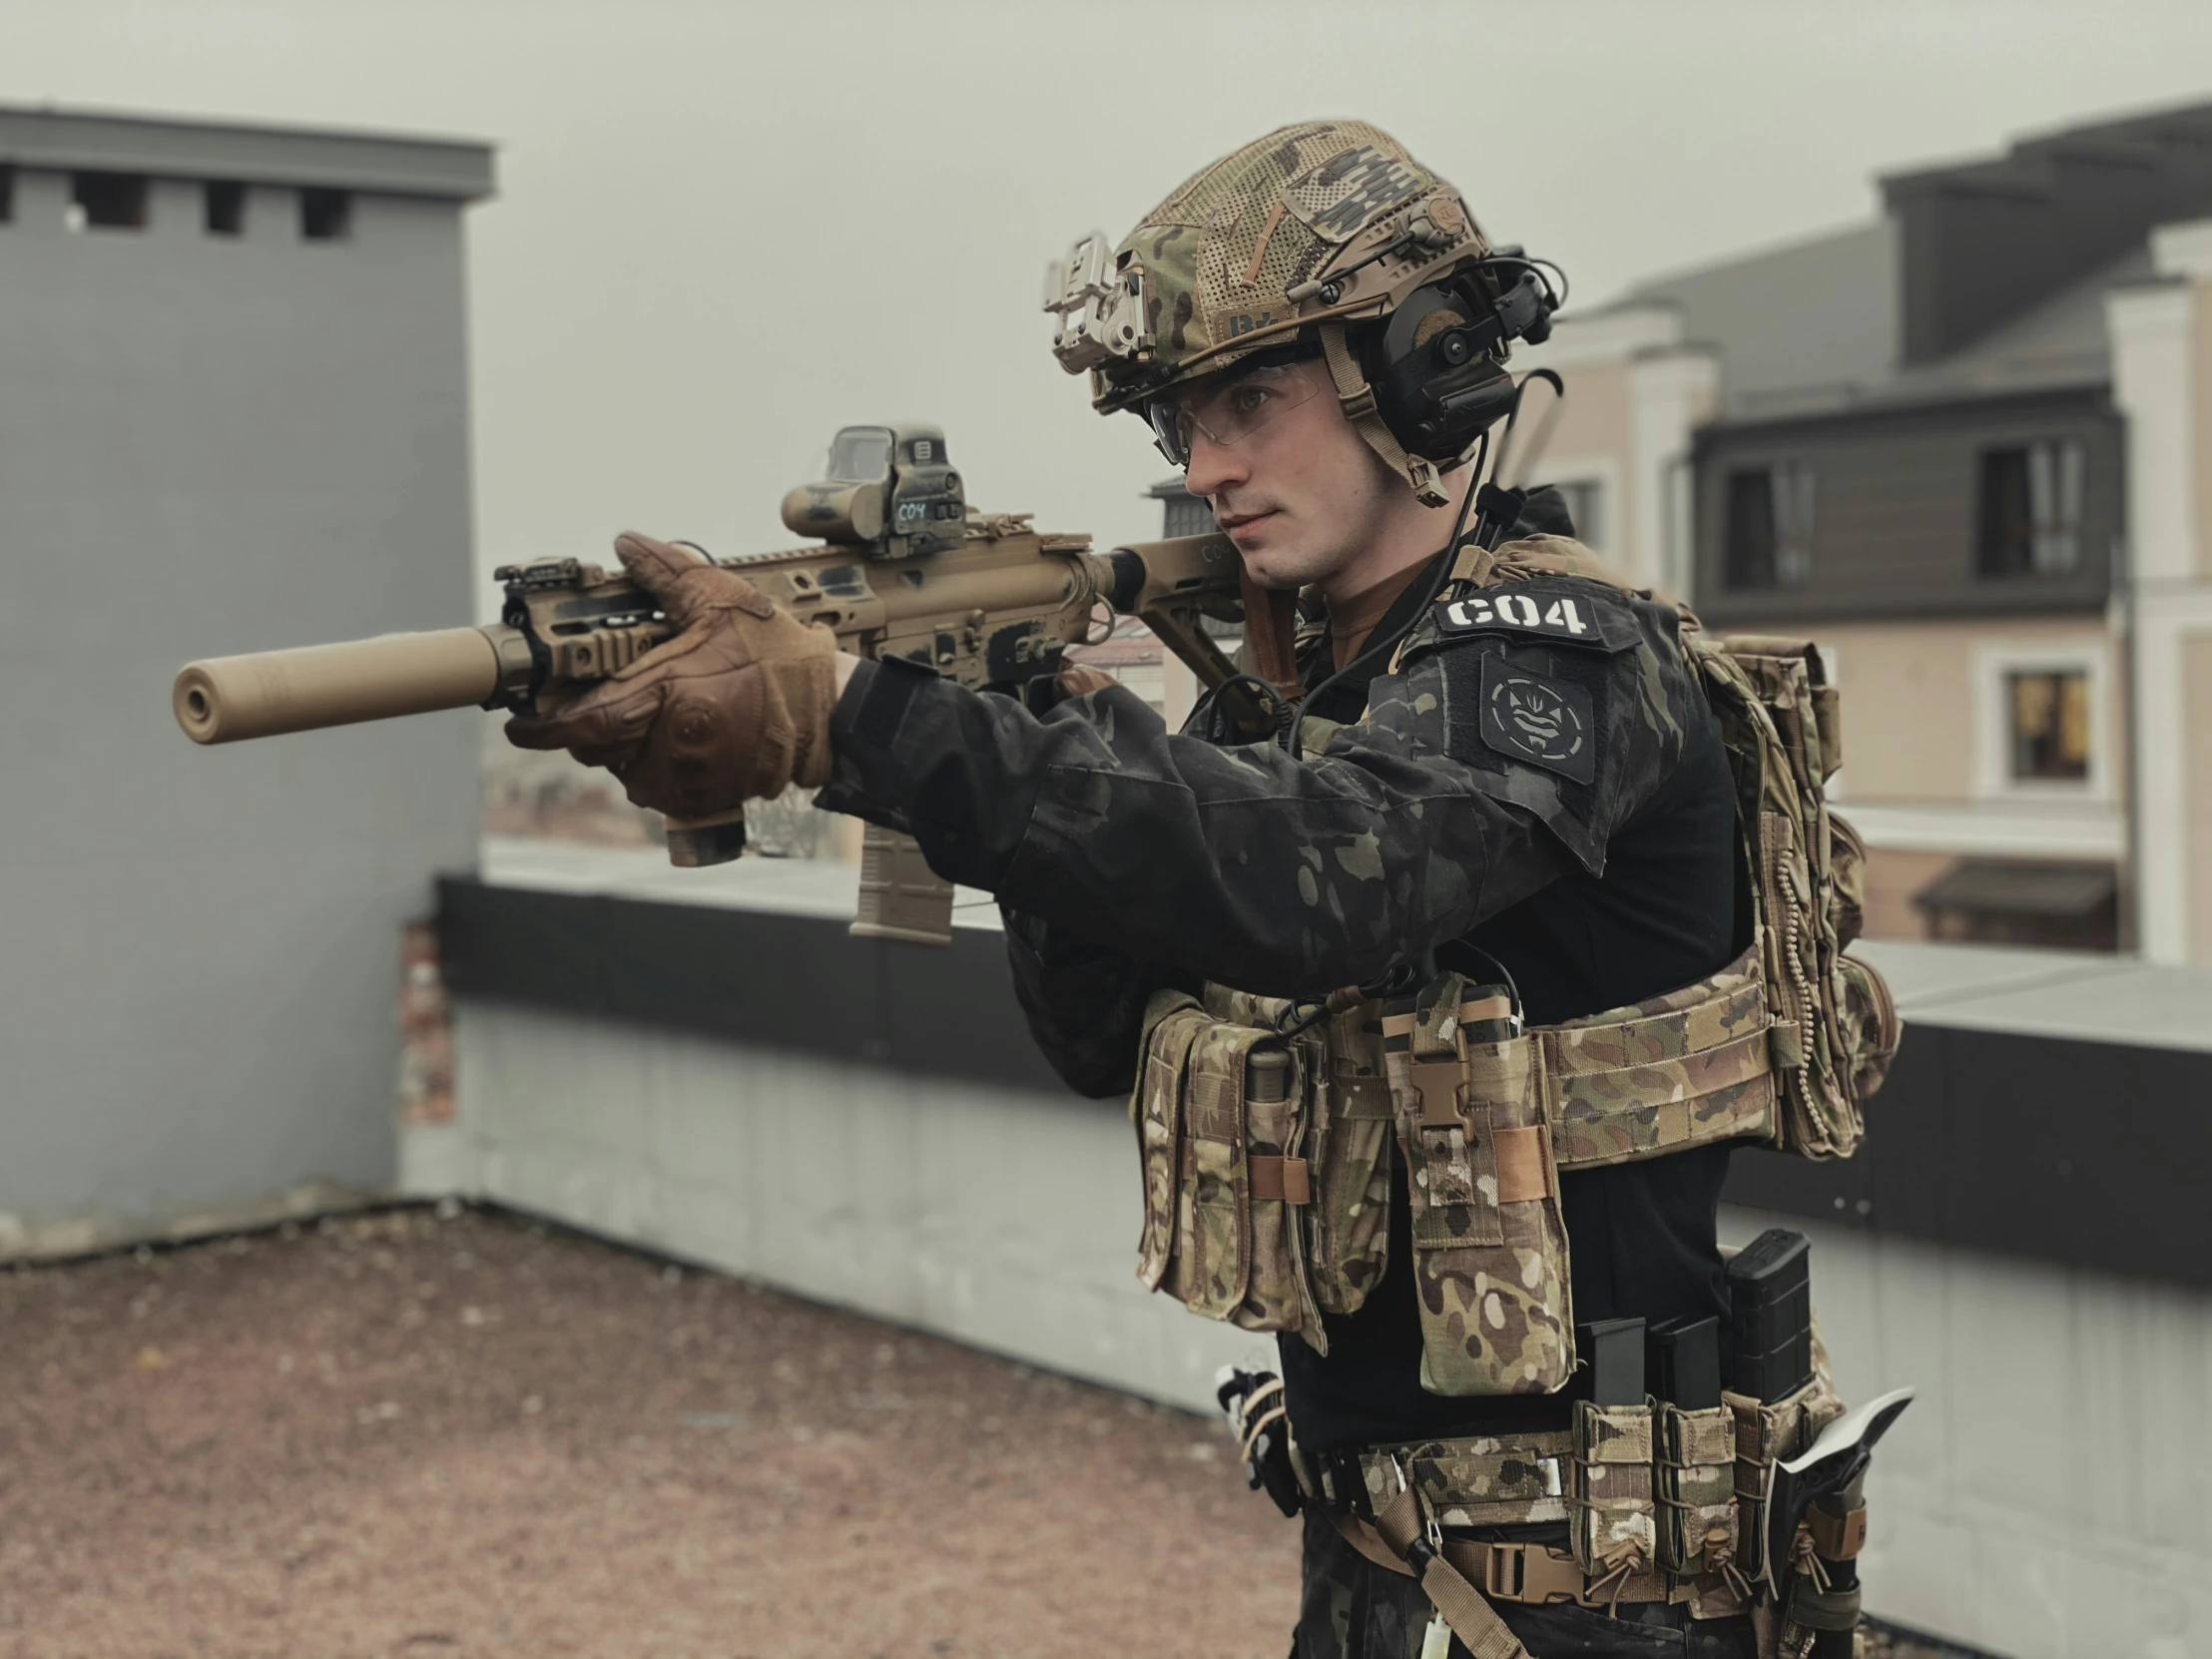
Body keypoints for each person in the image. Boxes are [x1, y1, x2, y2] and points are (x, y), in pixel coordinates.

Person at [507, 123, 1793, 1659]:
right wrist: (1013, 706)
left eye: (1253, 398)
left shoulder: (1560, 657)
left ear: (1422, 363)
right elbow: (1094, 1027)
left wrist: (862, 719)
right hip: (1394, 1554)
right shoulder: (1301, 697)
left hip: (1607, 1583)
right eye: (1183, 418)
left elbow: (1312, 883)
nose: (1205, 467)